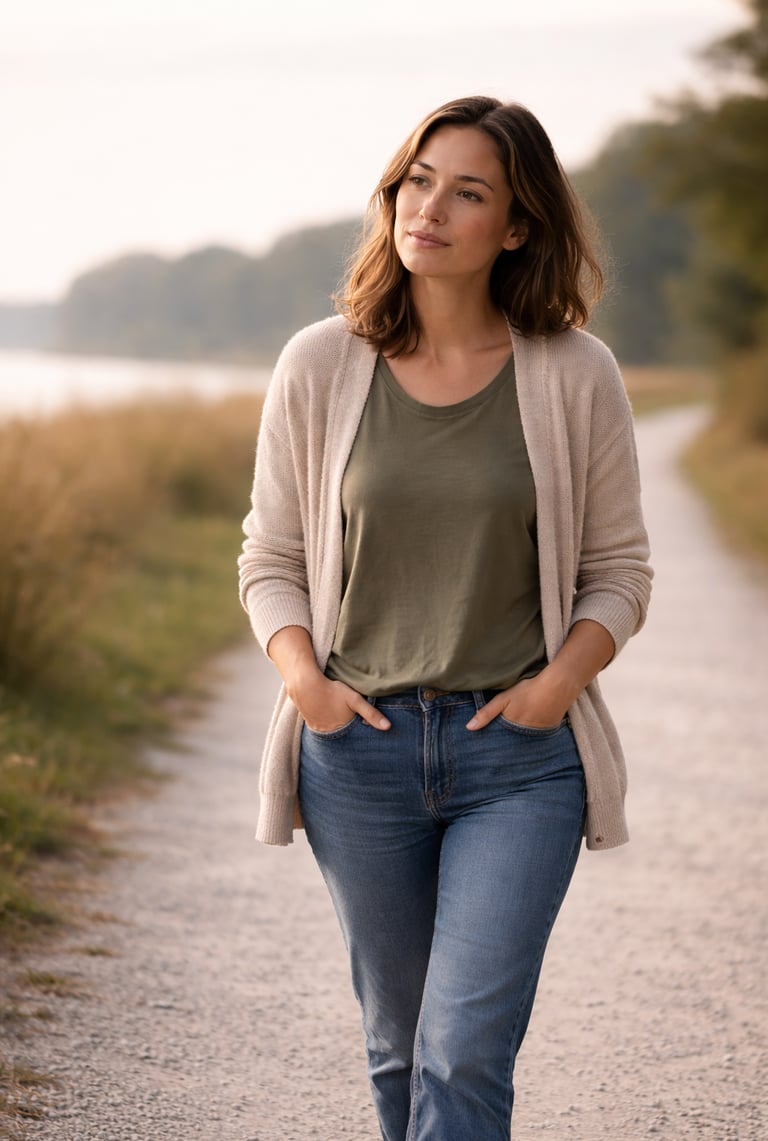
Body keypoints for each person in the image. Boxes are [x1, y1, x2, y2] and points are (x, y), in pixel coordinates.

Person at [238, 94, 652, 1141]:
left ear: (515, 226)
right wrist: (305, 685)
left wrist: (558, 687)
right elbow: (271, 559)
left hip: (516, 761)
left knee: (463, 1048)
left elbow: (619, 572)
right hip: (359, 755)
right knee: (398, 1042)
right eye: (417, 181)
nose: (428, 208)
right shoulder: (319, 365)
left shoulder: (574, 374)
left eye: (467, 192)